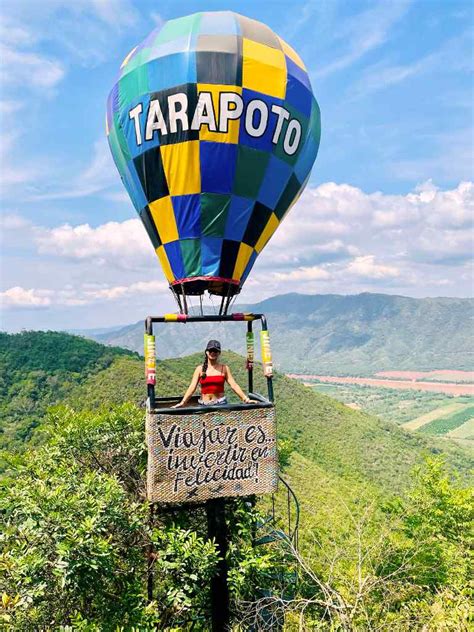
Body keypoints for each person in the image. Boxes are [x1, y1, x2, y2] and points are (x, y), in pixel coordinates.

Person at [172, 340, 252, 407]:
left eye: (215, 351)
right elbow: (192, 387)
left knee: (221, 425)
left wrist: (246, 399)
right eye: (211, 350)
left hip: (220, 404)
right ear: (206, 352)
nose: (213, 353)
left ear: (219, 353)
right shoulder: (199, 369)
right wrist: (183, 402)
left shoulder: (224, 368)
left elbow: (234, 385)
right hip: (203, 405)